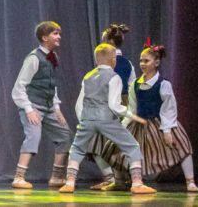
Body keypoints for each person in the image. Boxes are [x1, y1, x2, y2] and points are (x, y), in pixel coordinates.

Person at [99, 42, 198, 192]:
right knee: (115, 146)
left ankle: (190, 181)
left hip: (159, 122)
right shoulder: (135, 84)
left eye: (146, 61)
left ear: (156, 63)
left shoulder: (163, 84)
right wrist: (122, 126)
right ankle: (119, 181)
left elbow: (169, 108)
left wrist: (167, 130)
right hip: (139, 124)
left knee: (182, 146)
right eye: (141, 60)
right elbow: (132, 108)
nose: (142, 64)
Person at [57, 44, 155, 194]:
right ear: (113, 60)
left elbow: (79, 105)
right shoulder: (114, 77)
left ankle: (70, 183)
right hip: (107, 120)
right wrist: (130, 114)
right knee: (132, 146)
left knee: (76, 148)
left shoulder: (88, 76)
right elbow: (114, 106)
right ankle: (137, 183)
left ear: (96, 60)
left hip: (88, 119)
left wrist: (84, 121)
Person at [9, 20, 71, 189]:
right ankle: (19, 177)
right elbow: (19, 87)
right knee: (33, 136)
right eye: (55, 34)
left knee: (65, 135)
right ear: (45, 38)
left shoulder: (53, 57)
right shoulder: (33, 58)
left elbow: (52, 84)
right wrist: (29, 109)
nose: (59, 37)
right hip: (33, 104)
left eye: (59, 33)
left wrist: (56, 108)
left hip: (49, 105)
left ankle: (57, 177)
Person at [89, 23, 137, 190]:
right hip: (124, 104)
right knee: (117, 143)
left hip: (108, 104)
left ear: (109, 42)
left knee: (96, 142)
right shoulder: (128, 63)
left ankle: (112, 177)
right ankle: (123, 178)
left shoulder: (106, 62)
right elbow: (132, 86)